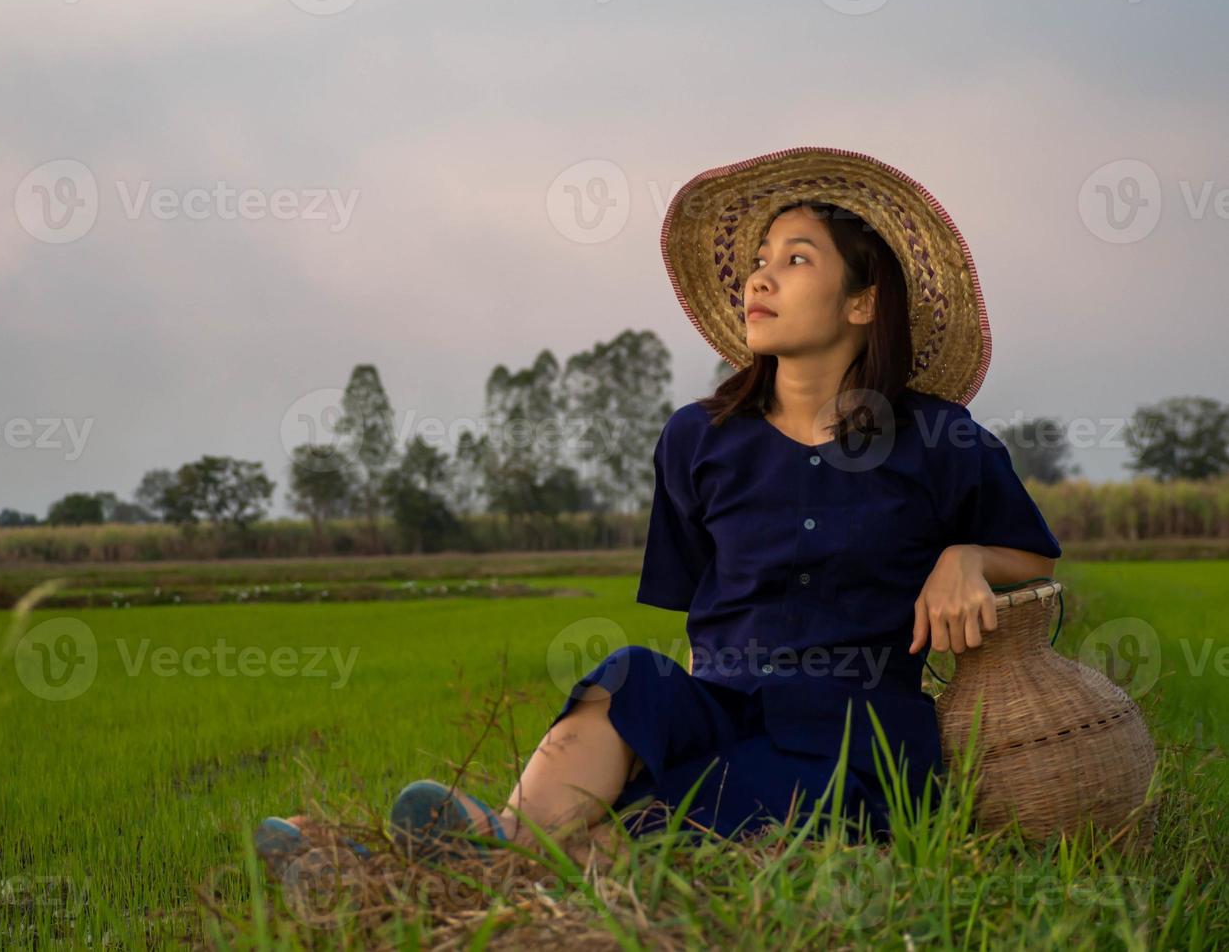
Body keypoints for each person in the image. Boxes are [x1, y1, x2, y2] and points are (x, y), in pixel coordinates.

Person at [258, 146, 1064, 864]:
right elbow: (698, 617)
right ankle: (497, 840)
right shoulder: (699, 438)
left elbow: (1032, 556)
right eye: (757, 262)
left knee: (639, 835)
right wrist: (662, 736)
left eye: (795, 260)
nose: (759, 278)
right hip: (717, 705)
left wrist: (965, 557)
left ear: (861, 304)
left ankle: (373, 862)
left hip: (852, 740)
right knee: (629, 679)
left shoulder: (936, 436)